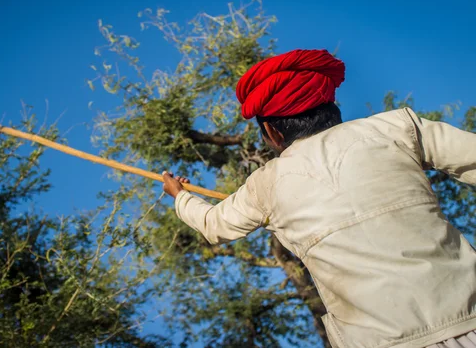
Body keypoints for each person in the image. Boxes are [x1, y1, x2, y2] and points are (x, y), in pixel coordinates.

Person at [161, 49, 476, 348]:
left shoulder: (265, 185)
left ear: (271, 131)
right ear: (331, 107)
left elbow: (212, 225)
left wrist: (180, 196)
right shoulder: (397, 127)